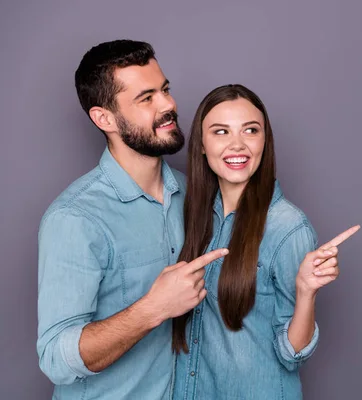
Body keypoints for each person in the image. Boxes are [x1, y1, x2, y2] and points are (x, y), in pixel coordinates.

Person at [36, 39, 228, 400]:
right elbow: (55, 360)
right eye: (147, 98)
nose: (168, 105)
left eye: (165, 90)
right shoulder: (75, 218)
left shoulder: (195, 196)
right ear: (103, 118)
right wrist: (153, 308)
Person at [171, 84, 360, 399]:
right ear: (201, 145)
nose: (237, 145)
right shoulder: (195, 215)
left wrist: (305, 292)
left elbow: (293, 353)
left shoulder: (288, 227)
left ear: (264, 141)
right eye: (221, 132)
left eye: (250, 130)